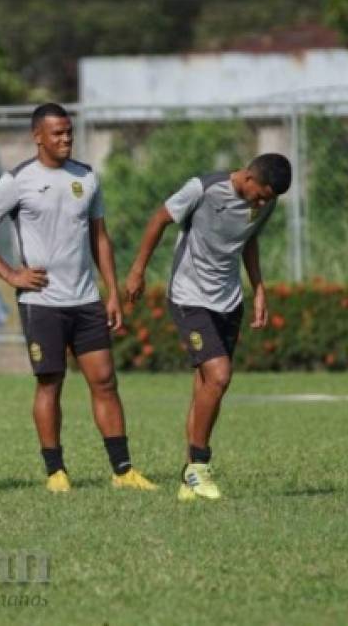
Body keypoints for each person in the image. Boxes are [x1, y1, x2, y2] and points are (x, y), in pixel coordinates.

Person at [0, 103, 157, 493]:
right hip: (41, 303)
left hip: (86, 300)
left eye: (69, 132)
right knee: (50, 382)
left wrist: (112, 293)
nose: (66, 138)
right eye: (57, 133)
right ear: (38, 137)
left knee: (105, 381)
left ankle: (123, 471)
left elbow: (99, 238)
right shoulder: (17, 181)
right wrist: (11, 274)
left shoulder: (86, 178)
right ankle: (56, 472)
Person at [124, 153, 292, 502]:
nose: (262, 203)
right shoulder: (203, 189)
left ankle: (189, 481)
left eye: (269, 199)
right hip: (189, 296)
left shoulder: (266, 203)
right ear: (247, 176)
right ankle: (199, 465)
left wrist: (259, 288)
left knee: (206, 385)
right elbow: (159, 220)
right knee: (219, 375)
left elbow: (249, 241)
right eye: (260, 195)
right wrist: (138, 270)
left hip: (229, 300)